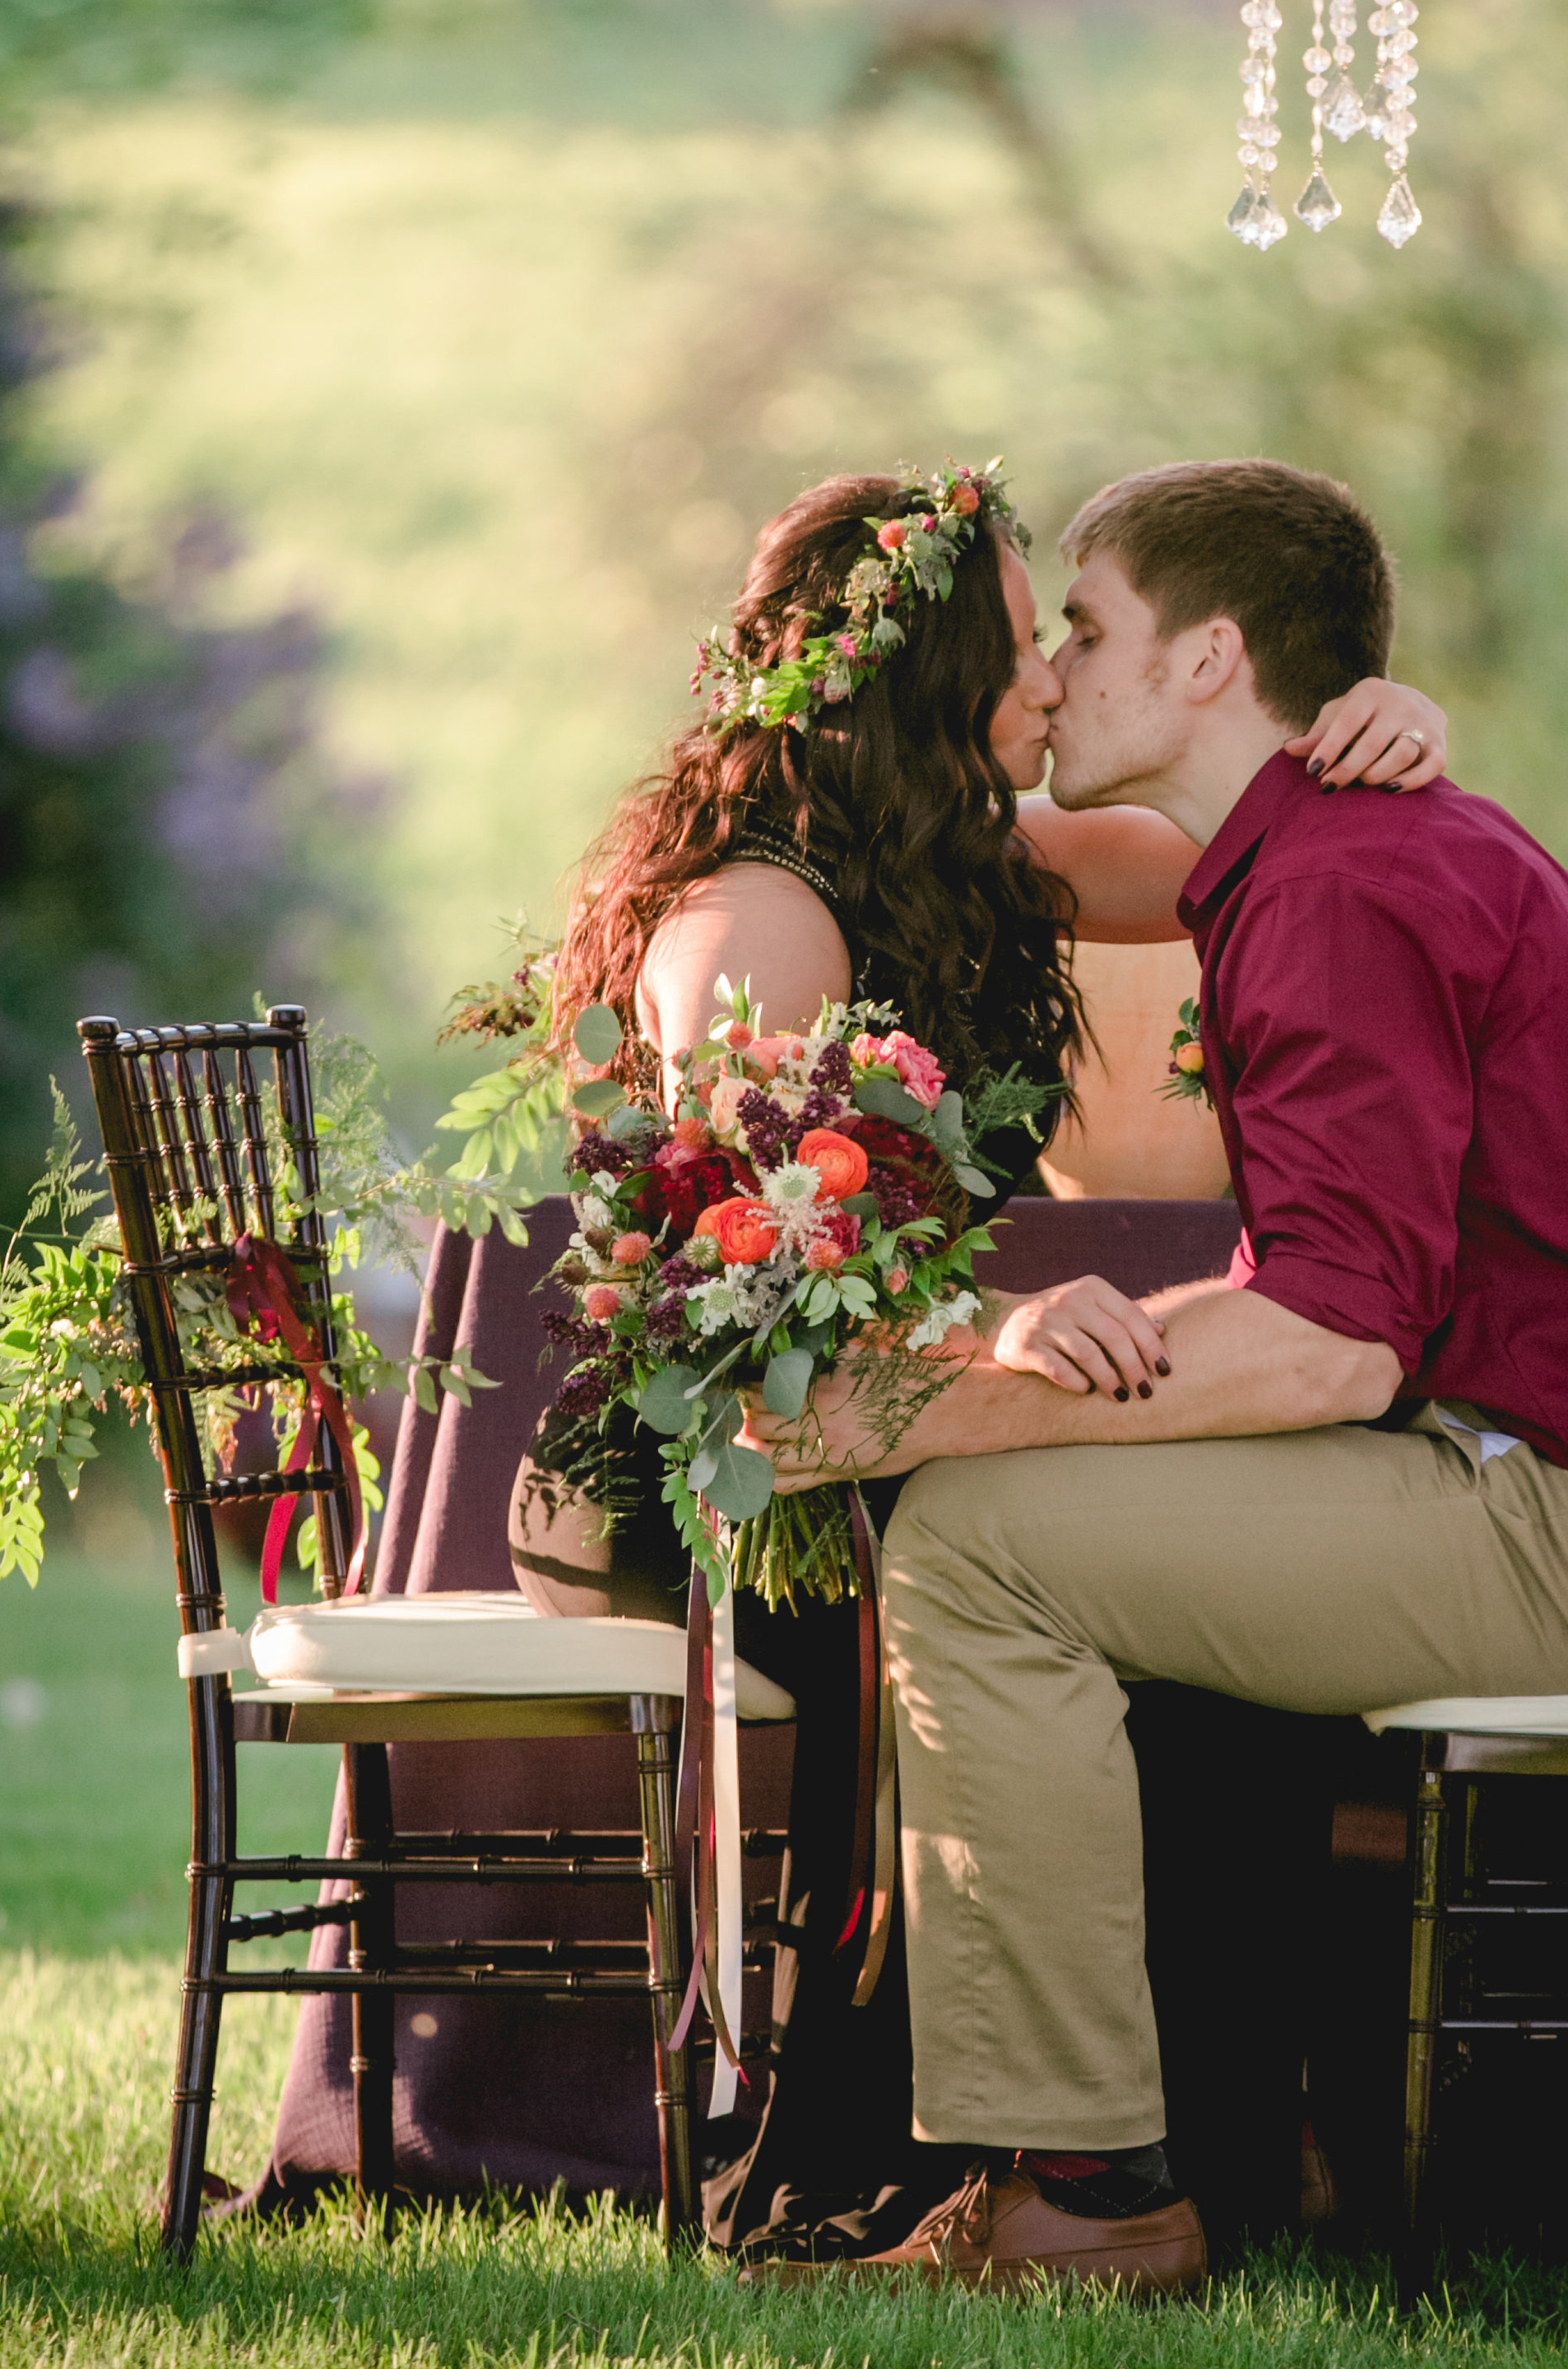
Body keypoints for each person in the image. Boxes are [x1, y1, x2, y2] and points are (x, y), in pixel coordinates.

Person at [750, 457, 1568, 2296]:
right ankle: (1132, 2174)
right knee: (1005, 1520)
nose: (1059, 676)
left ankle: (1090, 2209)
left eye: (1085, 630)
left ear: (1210, 662)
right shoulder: (1329, 854)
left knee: (971, 1543)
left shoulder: (1339, 884)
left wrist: (915, 1400)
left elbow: (1338, 1342)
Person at [535, 462, 1449, 2255]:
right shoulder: (756, 925)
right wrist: (1001, 1329)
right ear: (931, 673)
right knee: (1054, 1610)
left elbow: (1229, 843)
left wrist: (1374, 719)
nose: (1055, 685)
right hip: (709, 1471)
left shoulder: (965, 859)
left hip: (893, 1421)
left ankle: (1212, 2151)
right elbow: (763, 1310)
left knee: (1175, 1589)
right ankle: (1037, 2167)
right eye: (1031, 648)